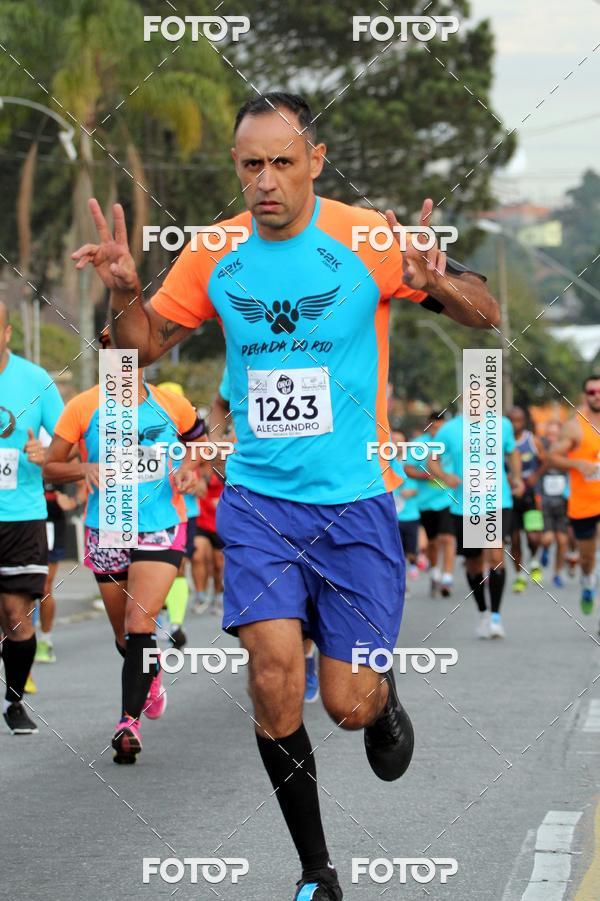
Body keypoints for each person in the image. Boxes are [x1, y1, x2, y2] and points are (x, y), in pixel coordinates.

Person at [71, 91, 499, 898]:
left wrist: (438, 285)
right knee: (272, 676)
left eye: (282, 162)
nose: (265, 180)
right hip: (260, 503)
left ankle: (381, 694)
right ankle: (317, 871)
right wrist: (124, 291)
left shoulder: (366, 237)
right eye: (251, 165)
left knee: (343, 702)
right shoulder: (214, 252)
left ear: (316, 162)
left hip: (356, 503)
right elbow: (142, 348)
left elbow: (487, 312)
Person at [43, 330, 206, 762]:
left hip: (161, 525)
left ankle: (126, 724)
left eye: (128, 347)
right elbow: (52, 464)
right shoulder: (83, 406)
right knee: (125, 634)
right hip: (107, 527)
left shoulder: (172, 404)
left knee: (139, 621)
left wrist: (191, 470)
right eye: (111, 346)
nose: (120, 355)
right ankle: (149, 678)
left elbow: (202, 445)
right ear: (103, 354)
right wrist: (84, 468)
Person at [0, 301, 64, 733]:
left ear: (6, 333)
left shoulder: (35, 380)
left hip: (21, 514)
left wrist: (46, 454)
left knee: (15, 612)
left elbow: (67, 444)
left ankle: (15, 698)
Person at [429, 413, 524, 638]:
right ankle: (482, 612)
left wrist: (517, 477)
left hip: (497, 502)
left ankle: (495, 617)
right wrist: (445, 476)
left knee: (495, 554)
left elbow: (512, 452)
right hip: (466, 506)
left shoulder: (503, 424)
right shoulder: (450, 429)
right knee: (474, 563)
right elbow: (432, 459)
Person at [157, 381, 207, 648]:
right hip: (151, 513)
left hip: (186, 513)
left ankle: (175, 624)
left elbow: (205, 479)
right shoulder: (148, 434)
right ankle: (160, 616)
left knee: (178, 567)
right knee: (154, 569)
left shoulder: (192, 440)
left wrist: (196, 483)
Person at [548, 375, 600, 616]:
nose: (597, 395)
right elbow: (552, 456)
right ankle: (588, 580)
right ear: (584, 396)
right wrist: (578, 464)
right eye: (592, 392)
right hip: (584, 505)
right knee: (588, 559)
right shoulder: (575, 426)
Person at [405, 412, 455, 597]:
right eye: (434, 427)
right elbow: (407, 468)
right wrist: (424, 476)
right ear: (428, 426)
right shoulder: (419, 444)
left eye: (441, 427)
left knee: (448, 538)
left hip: (448, 499)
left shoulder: (452, 443)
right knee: (432, 543)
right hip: (425, 502)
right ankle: (435, 571)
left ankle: (448, 576)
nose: (438, 430)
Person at [508, 407, 545, 592]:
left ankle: (534, 560)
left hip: (530, 495)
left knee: (533, 536)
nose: (516, 424)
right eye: (512, 420)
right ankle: (519, 575)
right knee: (514, 539)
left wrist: (535, 476)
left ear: (524, 421)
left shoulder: (532, 440)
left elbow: (546, 461)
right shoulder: (499, 442)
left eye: (519, 420)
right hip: (510, 496)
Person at [538, 419, 569, 588]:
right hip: (546, 501)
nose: (552, 437)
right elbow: (536, 475)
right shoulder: (542, 452)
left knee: (563, 541)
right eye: (549, 434)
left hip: (563, 502)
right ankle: (545, 550)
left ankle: (557, 573)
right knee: (548, 538)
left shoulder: (567, 452)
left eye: (555, 434)